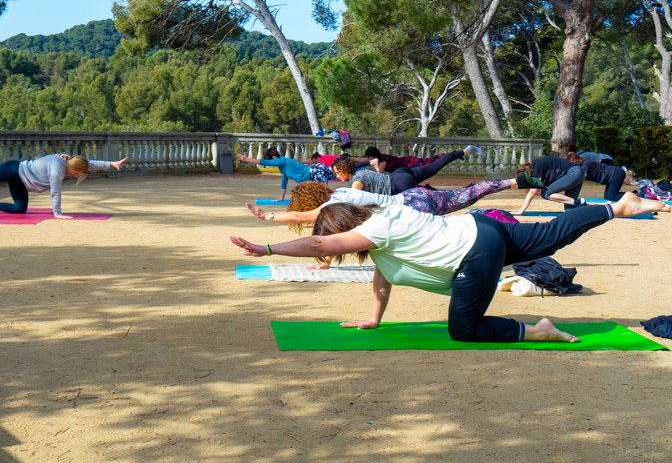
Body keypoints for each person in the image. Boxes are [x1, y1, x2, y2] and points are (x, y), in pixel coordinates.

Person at [231, 192, 670, 343]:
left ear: (344, 227)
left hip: (475, 255)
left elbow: (317, 240)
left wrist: (266, 247)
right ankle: (617, 207)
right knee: (553, 233)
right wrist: (374, 317)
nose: (335, 249)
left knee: (463, 328)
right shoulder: (385, 227)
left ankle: (537, 330)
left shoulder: (377, 231)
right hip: (481, 230)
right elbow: (383, 279)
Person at [246, 173, 546, 233]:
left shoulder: (328, 210)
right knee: (467, 194)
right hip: (414, 195)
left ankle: (489, 217)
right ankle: (511, 182)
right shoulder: (341, 193)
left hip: (409, 210)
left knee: (453, 227)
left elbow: (300, 218)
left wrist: (268, 217)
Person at [0, 155, 128, 219]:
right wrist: (57, 213)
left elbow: (88, 163)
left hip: (21, 180)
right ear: (73, 170)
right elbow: (55, 192)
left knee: (19, 209)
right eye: (78, 174)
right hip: (13, 170)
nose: (76, 176)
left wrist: (111, 164)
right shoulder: (58, 169)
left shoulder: (72, 161)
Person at [332, 146, 479, 195]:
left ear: (345, 170)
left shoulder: (357, 181)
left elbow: (352, 199)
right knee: (434, 167)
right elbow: (374, 160)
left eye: (338, 172)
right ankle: (464, 151)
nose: (337, 176)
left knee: (434, 194)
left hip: (400, 184)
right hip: (400, 174)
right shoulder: (361, 170)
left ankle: (466, 191)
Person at [237, 147, 335, 201]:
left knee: (325, 196)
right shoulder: (283, 168)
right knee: (323, 195)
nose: (272, 163)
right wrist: (281, 198)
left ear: (274, 158)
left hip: (315, 172)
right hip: (313, 175)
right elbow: (284, 182)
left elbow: (265, 162)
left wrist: (246, 159)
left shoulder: (282, 160)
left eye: (271, 160)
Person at [514, 155, 586, 214]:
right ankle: (586, 210)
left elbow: (533, 192)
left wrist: (521, 210)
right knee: (569, 210)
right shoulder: (541, 170)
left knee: (545, 194)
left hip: (574, 173)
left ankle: (579, 202)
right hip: (578, 173)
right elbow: (537, 191)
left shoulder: (537, 166)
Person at [365, 145, 484, 173]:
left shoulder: (382, 160)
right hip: (407, 164)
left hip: (409, 164)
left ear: (373, 156)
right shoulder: (380, 158)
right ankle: (460, 153)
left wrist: (374, 165)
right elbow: (361, 159)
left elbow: (379, 172)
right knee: (434, 160)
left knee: (434, 161)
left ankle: (464, 151)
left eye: (369, 157)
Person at [565, 151, 630, 202]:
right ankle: (633, 194)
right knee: (607, 197)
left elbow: (582, 177)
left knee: (611, 197)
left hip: (616, 174)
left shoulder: (584, 165)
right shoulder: (584, 165)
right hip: (614, 176)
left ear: (574, 161)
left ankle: (636, 196)